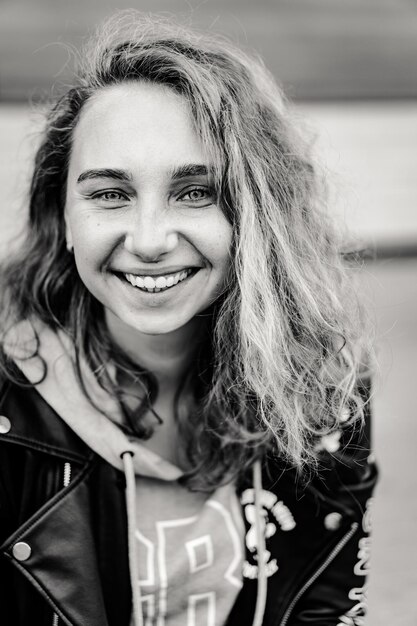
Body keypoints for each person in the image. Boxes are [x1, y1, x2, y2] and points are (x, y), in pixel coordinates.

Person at [0, 12, 377, 626]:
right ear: (62, 216)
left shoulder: (323, 388)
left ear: (257, 216)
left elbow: (325, 606)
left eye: (195, 191)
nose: (149, 240)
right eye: (109, 194)